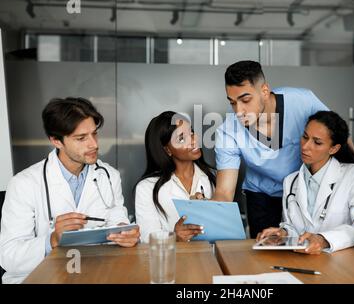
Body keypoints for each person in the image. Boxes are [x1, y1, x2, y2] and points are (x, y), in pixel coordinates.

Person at [0, 97, 140, 284]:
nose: (94, 144)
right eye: (81, 138)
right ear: (56, 141)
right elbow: (9, 257)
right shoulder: (24, 184)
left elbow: (118, 222)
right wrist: (52, 239)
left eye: (94, 134)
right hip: (39, 278)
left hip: (93, 274)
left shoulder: (109, 176)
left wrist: (126, 235)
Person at [214, 60, 331, 238]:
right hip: (261, 196)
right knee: (265, 251)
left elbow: (337, 136)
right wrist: (205, 217)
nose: (239, 111)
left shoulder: (303, 102)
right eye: (232, 102)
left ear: (264, 91)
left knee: (308, 247)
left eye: (245, 100)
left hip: (303, 191)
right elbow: (224, 192)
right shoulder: (228, 130)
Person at [256, 111, 354, 254]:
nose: (305, 146)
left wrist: (323, 239)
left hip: (341, 263)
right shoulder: (290, 181)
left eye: (317, 142)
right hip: (302, 261)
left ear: (334, 148)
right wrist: (282, 234)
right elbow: (292, 227)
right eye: (305, 137)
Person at [135, 111, 216, 243]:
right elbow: (146, 237)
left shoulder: (213, 177)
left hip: (210, 259)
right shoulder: (147, 187)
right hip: (173, 260)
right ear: (167, 150)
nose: (194, 141)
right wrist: (175, 238)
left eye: (191, 132)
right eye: (182, 139)